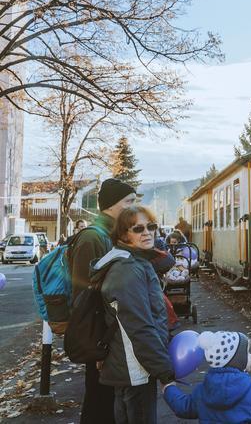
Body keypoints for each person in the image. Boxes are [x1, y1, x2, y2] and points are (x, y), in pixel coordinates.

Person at [90, 205, 175, 424]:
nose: (147, 232)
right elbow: (139, 327)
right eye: (138, 229)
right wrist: (164, 372)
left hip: (132, 365)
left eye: (151, 226)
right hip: (135, 368)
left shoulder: (133, 262)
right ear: (123, 235)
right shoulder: (128, 268)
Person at [67, 178, 137, 424]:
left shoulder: (109, 235)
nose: (132, 208)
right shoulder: (92, 239)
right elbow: (84, 298)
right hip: (100, 337)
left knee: (108, 402)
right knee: (98, 403)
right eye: (128, 202)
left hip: (110, 335)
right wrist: (98, 346)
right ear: (110, 205)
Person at [163, 331, 251, 424]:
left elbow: (184, 407)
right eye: (247, 352)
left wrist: (169, 388)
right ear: (237, 360)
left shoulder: (203, 391)